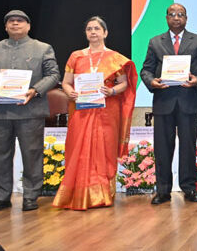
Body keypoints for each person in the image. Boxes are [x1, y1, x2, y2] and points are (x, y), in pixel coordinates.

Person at [0, 10, 60, 213]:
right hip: (0, 111)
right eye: (11, 21)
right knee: (0, 156)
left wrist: (35, 90)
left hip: (31, 110)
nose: (15, 23)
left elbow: (54, 74)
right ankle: (0, 197)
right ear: (5, 27)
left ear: (28, 26)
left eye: (20, 21)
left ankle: (30, 196)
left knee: (32, 154)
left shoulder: (43, 48)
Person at [51, 17, 137, 210]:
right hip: (81, 110)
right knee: (79, 149)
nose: (93, 32)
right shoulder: (76, 56)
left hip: (107, 111)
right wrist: (69, 92)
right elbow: (66, 82)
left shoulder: (115, 58)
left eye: (97, 29)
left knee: (105, 150)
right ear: (86, 33)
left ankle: (103, 195)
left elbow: (124, 83)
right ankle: (78, 194)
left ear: (105, 33)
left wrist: (112, 91)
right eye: (89, 29)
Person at [140, 3, 197, 204]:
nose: (176, 17)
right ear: (166, 18)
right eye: (172, 14)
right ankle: (163, 191)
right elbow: (146, 70)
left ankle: (189, 188)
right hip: (163, 102)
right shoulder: (155, 42)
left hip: (188, 101)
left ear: (186, 18)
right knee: (162, 148)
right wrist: (152, 82)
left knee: (188, 147)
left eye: (181, 14)